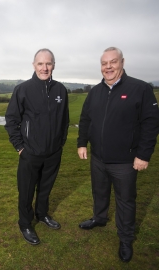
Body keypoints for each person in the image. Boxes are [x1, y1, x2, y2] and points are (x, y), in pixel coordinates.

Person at [77, 47, 159, 262]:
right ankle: (99, 218)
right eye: (104, 63)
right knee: (99, 192)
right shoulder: (95, 91)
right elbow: (85, 119)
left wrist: (143, 155)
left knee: (125, 201)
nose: (108, 67)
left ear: (122, 62)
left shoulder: (140, 89)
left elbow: (151, 125)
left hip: (125, 161)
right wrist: (82, 143)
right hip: (98, 158)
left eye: (113, 62)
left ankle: (125, 238)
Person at [5, 48, 69, 245]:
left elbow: (64, 120)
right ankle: (25, 223)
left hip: (53, 153)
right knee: (26, 191)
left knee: (45, 189)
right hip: (30, 153)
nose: (44, 67)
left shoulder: (60, 90)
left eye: (48, 63)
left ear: (53, 66)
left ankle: (42, 215)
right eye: (40, 63)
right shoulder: (23, 90)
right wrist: (20, 148)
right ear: (34, 65)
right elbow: (11, 120)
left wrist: (59, 144)